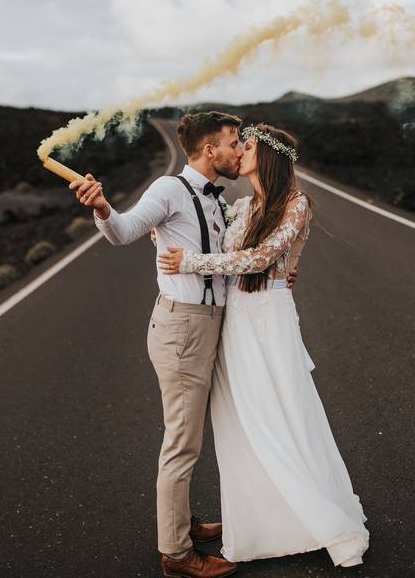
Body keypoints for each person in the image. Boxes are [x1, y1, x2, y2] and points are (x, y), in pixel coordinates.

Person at [157, 123, 369, 567]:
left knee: (284, 413)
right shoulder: (241, 205)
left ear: (266, 157)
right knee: (242, 423)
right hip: (234, 321)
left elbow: (263, 257)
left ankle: (313, 513)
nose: (240, 152)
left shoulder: (296, 204)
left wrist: (191, 262)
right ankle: (261, 521)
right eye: (239, 144)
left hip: (268, 321)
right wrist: (165, 234)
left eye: (247, 146)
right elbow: (208, 242)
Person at [71, 111, 269, 578]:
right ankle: (176, 554)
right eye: (232, 142)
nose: (239, 149)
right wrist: (102, 207)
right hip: (183, 327)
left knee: (194, 435)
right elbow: (122, 232)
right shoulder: (167, 190)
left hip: (209, 324)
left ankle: (182, 522)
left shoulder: (218, 197)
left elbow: (219, 260)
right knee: (182, 443)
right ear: (207, 150)